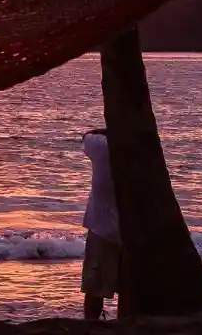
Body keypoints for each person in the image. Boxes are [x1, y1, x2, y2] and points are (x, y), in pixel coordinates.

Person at [81, 128, 121, 320]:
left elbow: (86, 136)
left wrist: (106, 130)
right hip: (131, 231)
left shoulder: (102, 146)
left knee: (94, 285)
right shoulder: (139, 154)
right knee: (127, 284)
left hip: (101, 229)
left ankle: (91, 322)